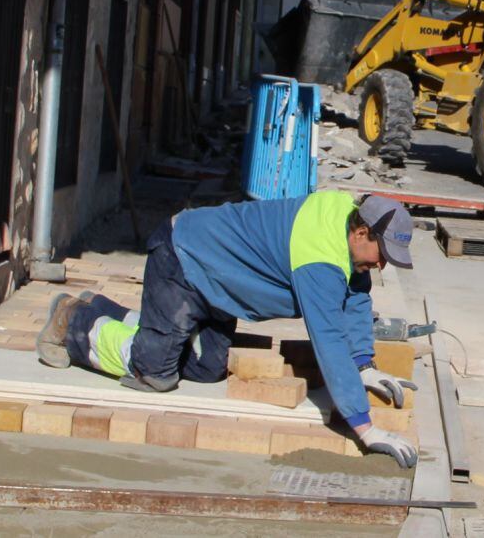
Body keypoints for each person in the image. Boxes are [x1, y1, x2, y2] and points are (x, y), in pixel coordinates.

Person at [35, 191, 420, 468]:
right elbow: (329, 341)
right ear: (361, 233)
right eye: (382, 256)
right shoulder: (321, 255)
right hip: (184, 259)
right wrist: (365, 428)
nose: (382, 266)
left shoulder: (346, 219)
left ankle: (109, 313)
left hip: (220, 285)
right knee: (154, 372)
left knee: (207, 368)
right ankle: (73, 322)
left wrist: (364, 365)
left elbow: (355, 296)